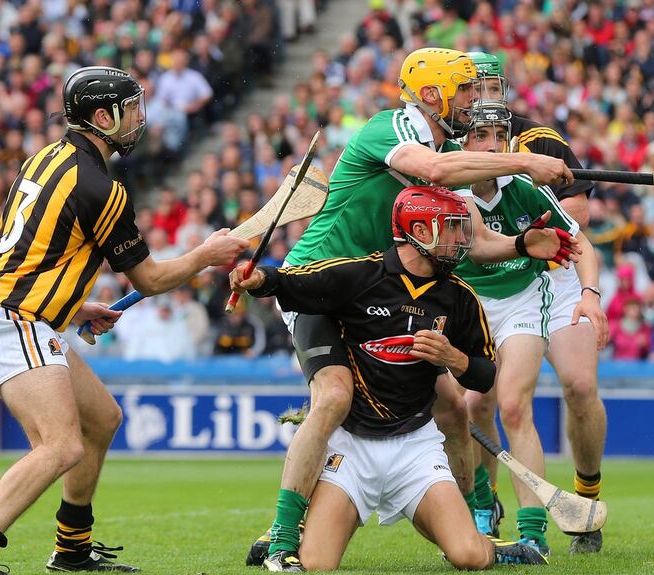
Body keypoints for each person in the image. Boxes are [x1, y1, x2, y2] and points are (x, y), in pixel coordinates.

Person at [245, 47, 577, 570]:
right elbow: (438, 170)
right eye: (465, 90)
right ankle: (283, 536)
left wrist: (521, 245)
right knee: (334, 395)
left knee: (451, 404)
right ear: (430, 95)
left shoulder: (447, 151)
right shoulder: (393, 129)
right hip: (322, 281)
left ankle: (475, 520)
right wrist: (523, 160)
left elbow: (473, 240)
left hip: (380, 287)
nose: (475, 100)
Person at [0, 66, 247, 575]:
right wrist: (207, 253)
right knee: (60, 446)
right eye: (132, 109)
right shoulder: (100, 187)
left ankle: (72, 549)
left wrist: (73, 305)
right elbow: (148, 280)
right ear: (103, 117)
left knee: (102, 420)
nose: (140, 119)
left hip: (17, 305)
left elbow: (27, 252)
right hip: (11, 317)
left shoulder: (46, 158)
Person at [232, 186, 547, 571]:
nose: (461, 239)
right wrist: (257, 279)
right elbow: (291, 283)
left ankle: (488, 543)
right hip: (351, 451)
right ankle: (284, 536)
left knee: (469, 556)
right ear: (417, 230)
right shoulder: (359, 275)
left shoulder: (460, 297)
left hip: (416, 450)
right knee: (315, 565)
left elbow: (485, 377)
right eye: (451, 228)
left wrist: (454, 359)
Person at [466, 50, 609, 553]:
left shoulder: (538, 141)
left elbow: (578, 214)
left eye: (487, 85)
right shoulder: (441, 155)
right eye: (470, 86)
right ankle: (484, 502)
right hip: (476, 289)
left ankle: (583, 504)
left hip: (548, 273)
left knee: (576, 386)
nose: (480, 96)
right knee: (470, 405)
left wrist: (589, 291)